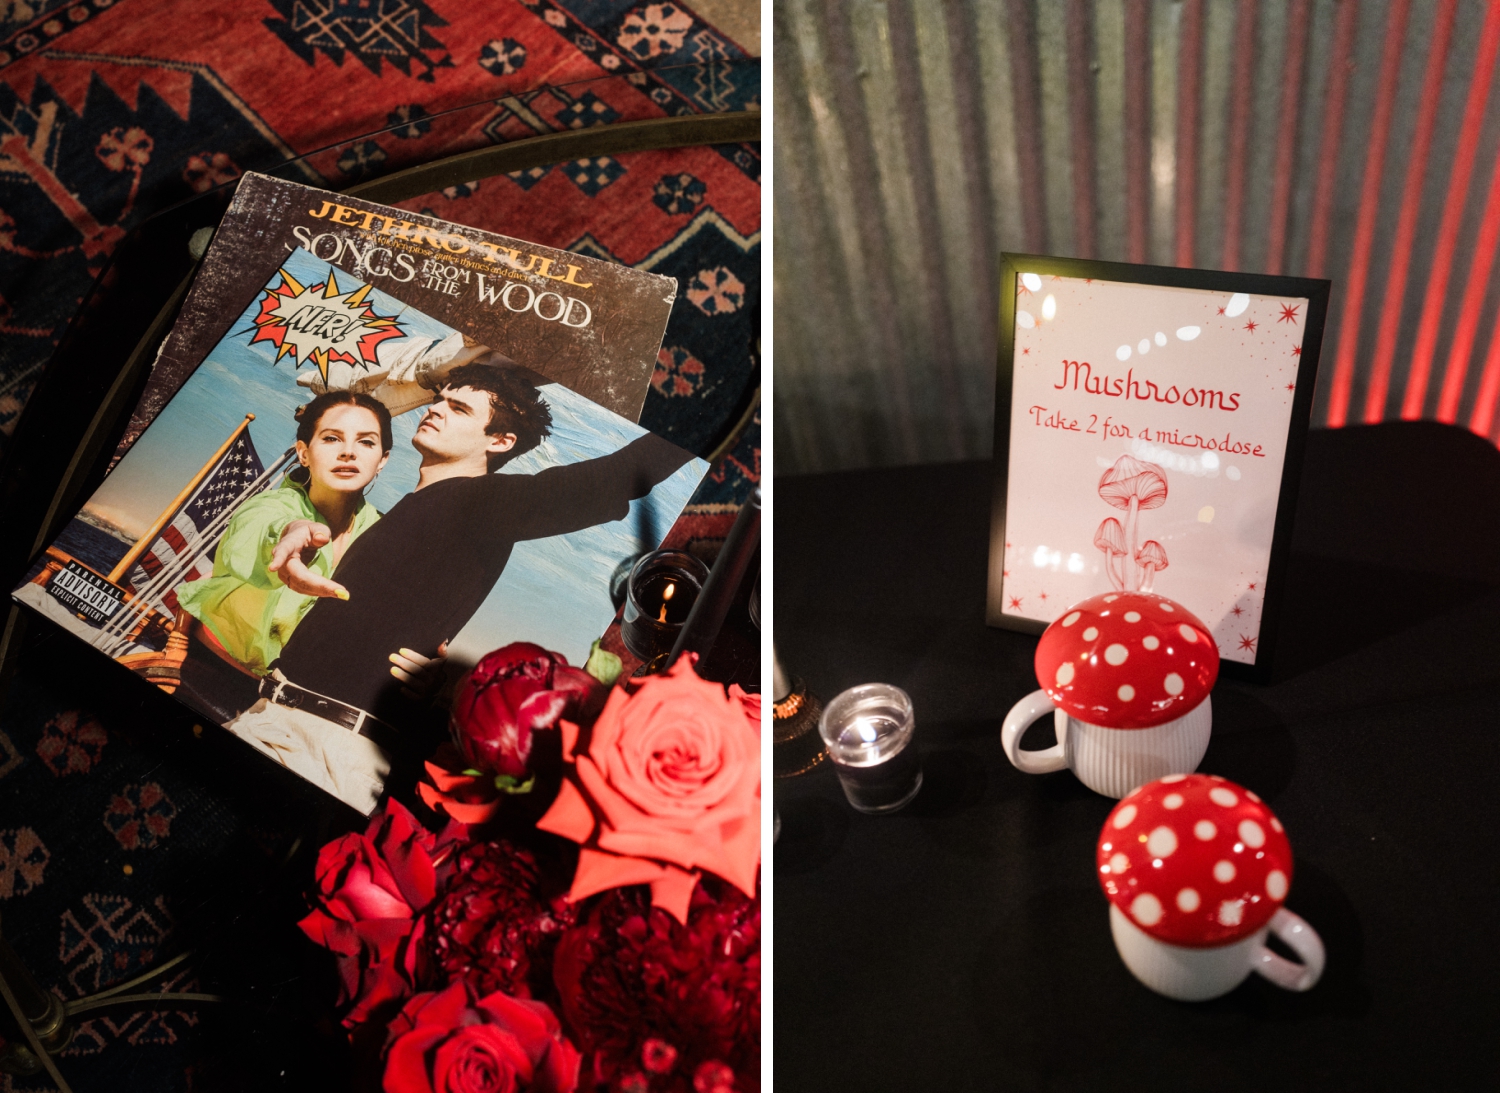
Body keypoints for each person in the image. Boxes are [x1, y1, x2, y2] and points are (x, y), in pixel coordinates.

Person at [224, 355, 694, 814]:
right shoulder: (412, 510)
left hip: (324, 749)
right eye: (442, 398)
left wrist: (698, 422)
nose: (436, 408)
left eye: (459, 409)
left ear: (500, 440)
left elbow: (609, 480)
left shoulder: (483, 503)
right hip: (271, 716)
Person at [175, 391, 436, 724]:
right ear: (304, 453)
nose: (348, 451)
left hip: (293, 708)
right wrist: (292, 533)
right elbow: (260, 529)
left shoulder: (385, 536)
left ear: (382, 460)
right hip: (204, 673)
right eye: (331, 438)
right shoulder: (271, 506)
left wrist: (424, 667)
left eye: (366, 443)